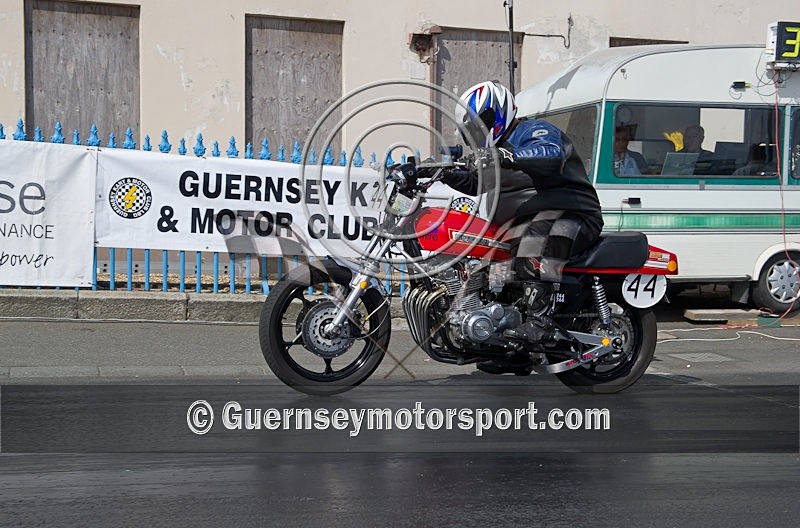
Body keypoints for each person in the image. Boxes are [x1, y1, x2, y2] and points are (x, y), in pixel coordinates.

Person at [442, 80, 604, 374]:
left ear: (496, 115)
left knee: (536, 237)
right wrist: (443, 172)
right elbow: (475, 182)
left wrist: (512, 155)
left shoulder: (532, 132)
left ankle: (541, 324)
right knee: (490, 267)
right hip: (526, 224)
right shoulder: (496, 150)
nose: (476, 136)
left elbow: (551, 153)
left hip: (573, 216)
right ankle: (509, 349)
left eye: (479, 127)